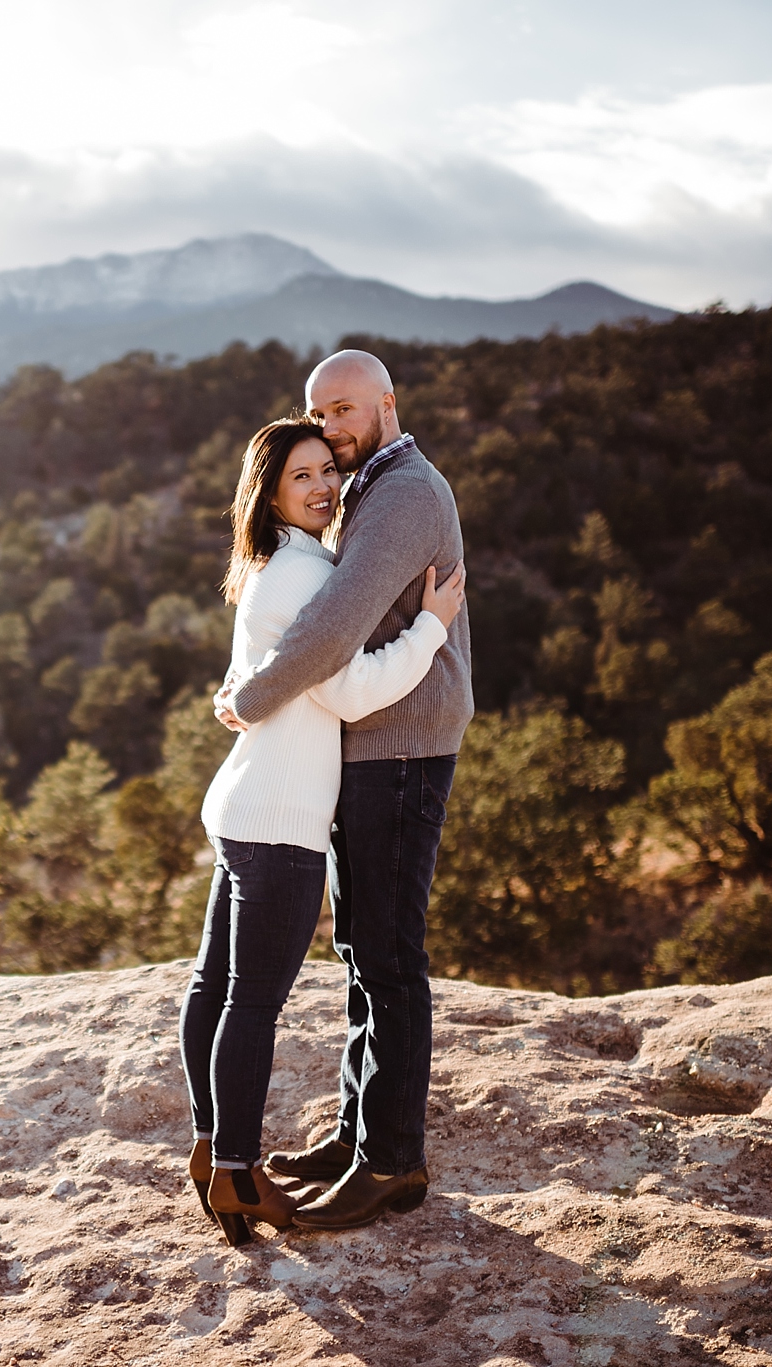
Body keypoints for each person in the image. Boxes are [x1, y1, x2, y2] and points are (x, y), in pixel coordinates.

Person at [182, 417, 466, 1246]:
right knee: (251, 1000)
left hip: (242, 808)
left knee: (214, 984)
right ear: (267, 491)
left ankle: (210, 1148)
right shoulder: (306, 573)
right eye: (300, 475)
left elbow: (251, 681)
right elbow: (352, 691)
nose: (321, 486)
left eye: (325, 472)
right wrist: (433, 625)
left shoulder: (270, 566)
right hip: (279, 822)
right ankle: (236, 1170)